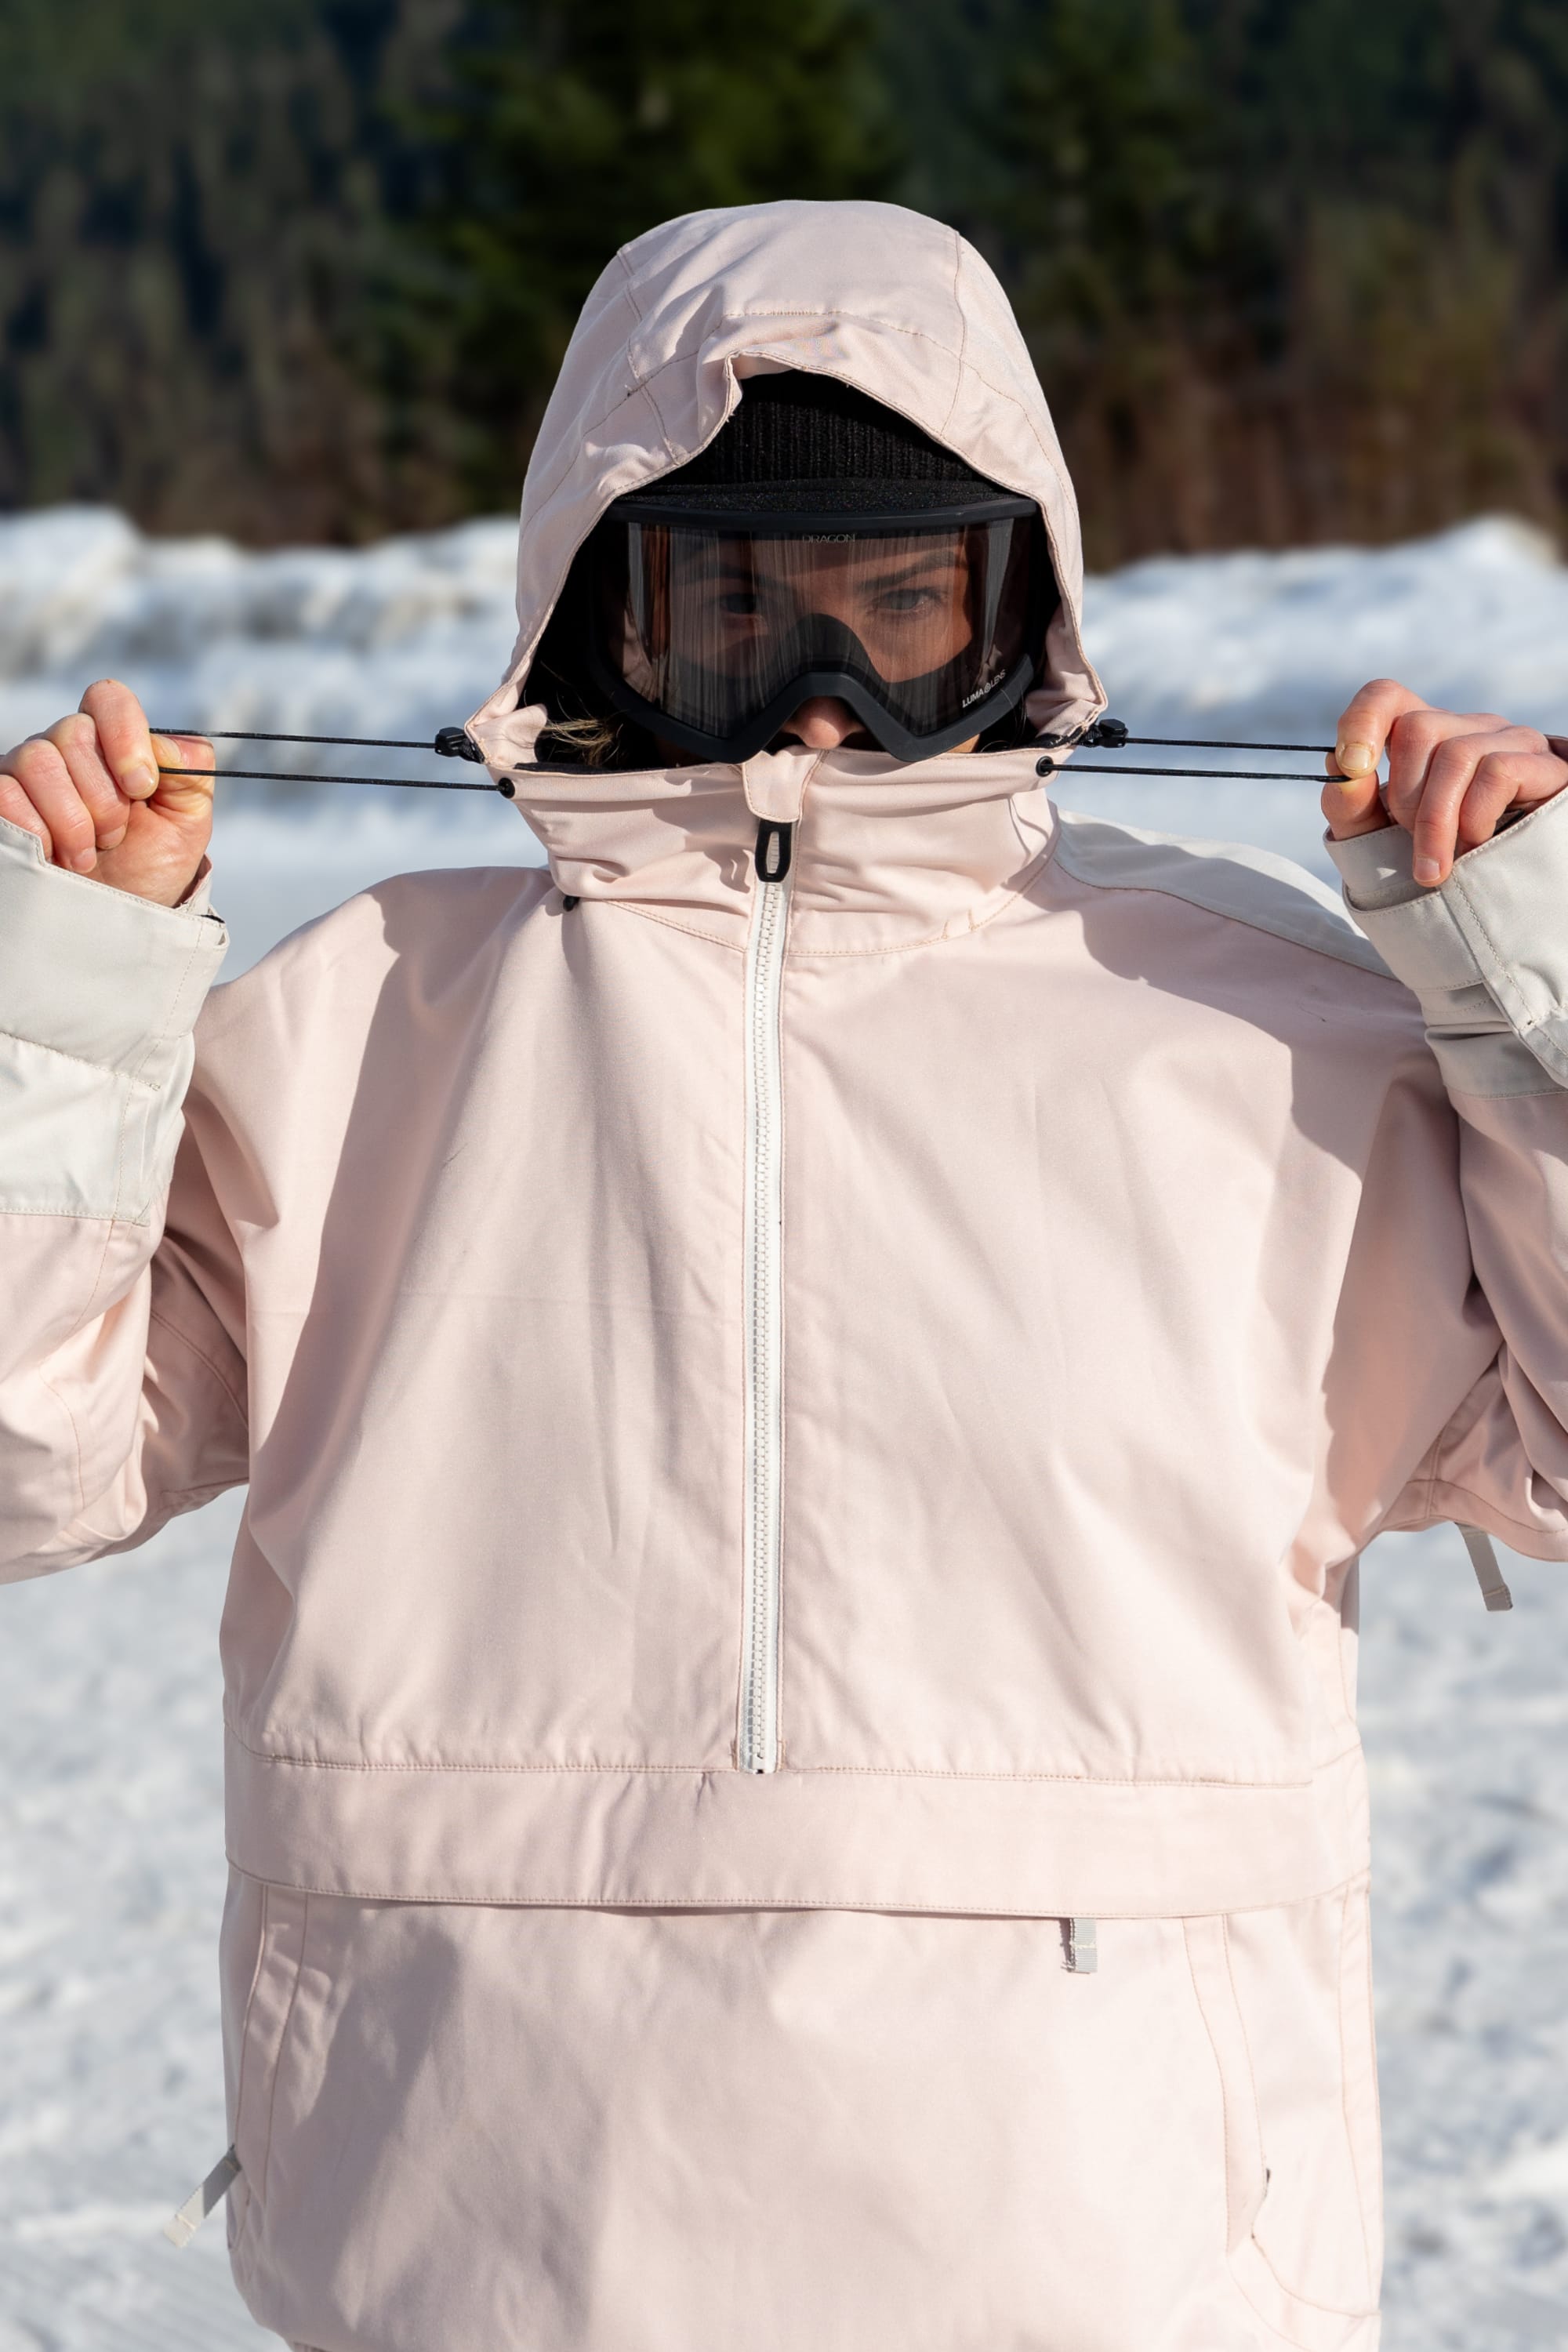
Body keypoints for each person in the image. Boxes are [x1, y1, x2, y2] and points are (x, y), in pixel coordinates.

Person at [2, 199, 1566, 2352]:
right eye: (734, 609)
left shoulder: (1262, 1031)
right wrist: (67, 986)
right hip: (485, 2228)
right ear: (592, 614)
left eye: (900, 610)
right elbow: (28, 1460)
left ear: (1019, 605)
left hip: (1109, 2245)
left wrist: (1533, 979)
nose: (820, 707)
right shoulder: (360, 1025)